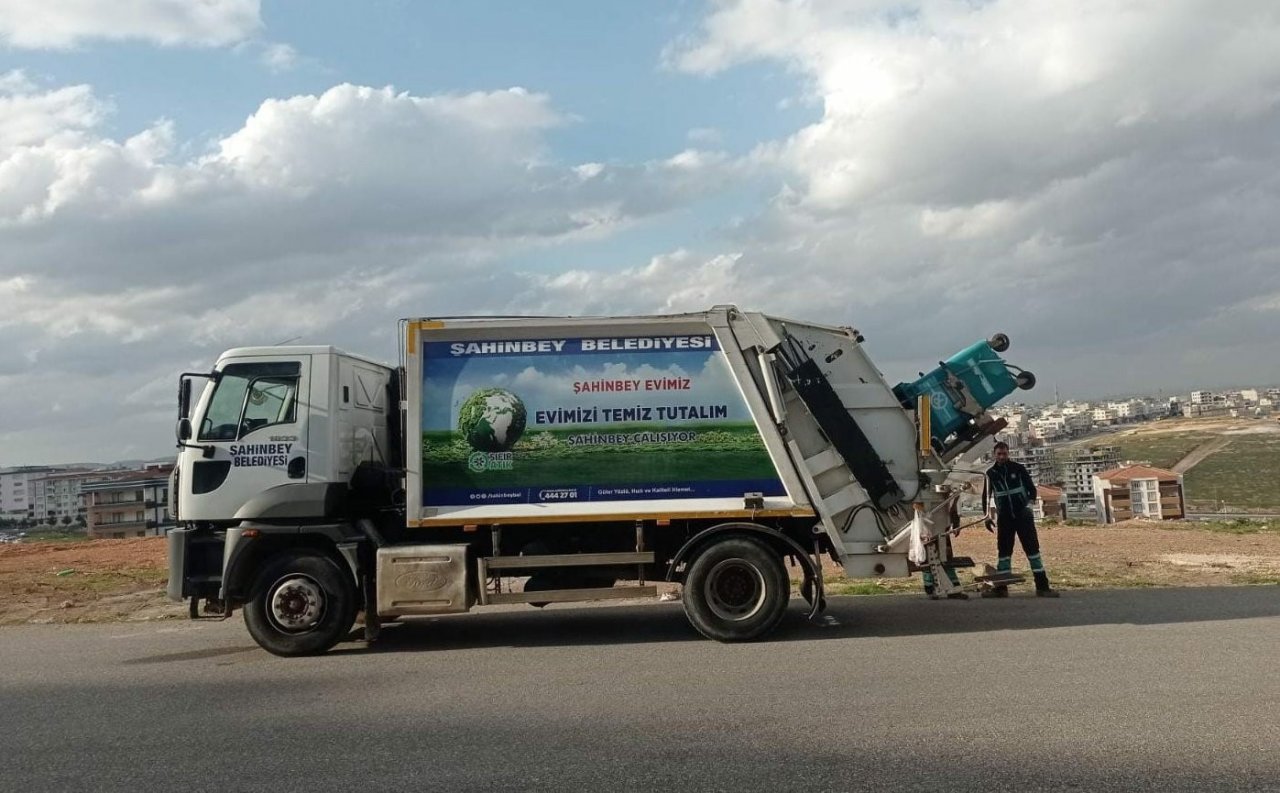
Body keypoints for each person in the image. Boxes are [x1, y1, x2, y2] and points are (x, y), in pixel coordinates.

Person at [981, 441, 1059, 598]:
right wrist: (987, 517)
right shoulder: (990, 474)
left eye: (1004, 453)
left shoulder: (1018, 468)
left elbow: (1032, 490)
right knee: (1004, 552)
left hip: (1023, 516)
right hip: (1004, 517)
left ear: (1008, 453)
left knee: (1032, 550)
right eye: (999, 454)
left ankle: (1042, 587)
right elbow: (985, 496)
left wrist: (1028, 507)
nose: (1002, 457)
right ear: (994, 455)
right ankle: (1002, 588)